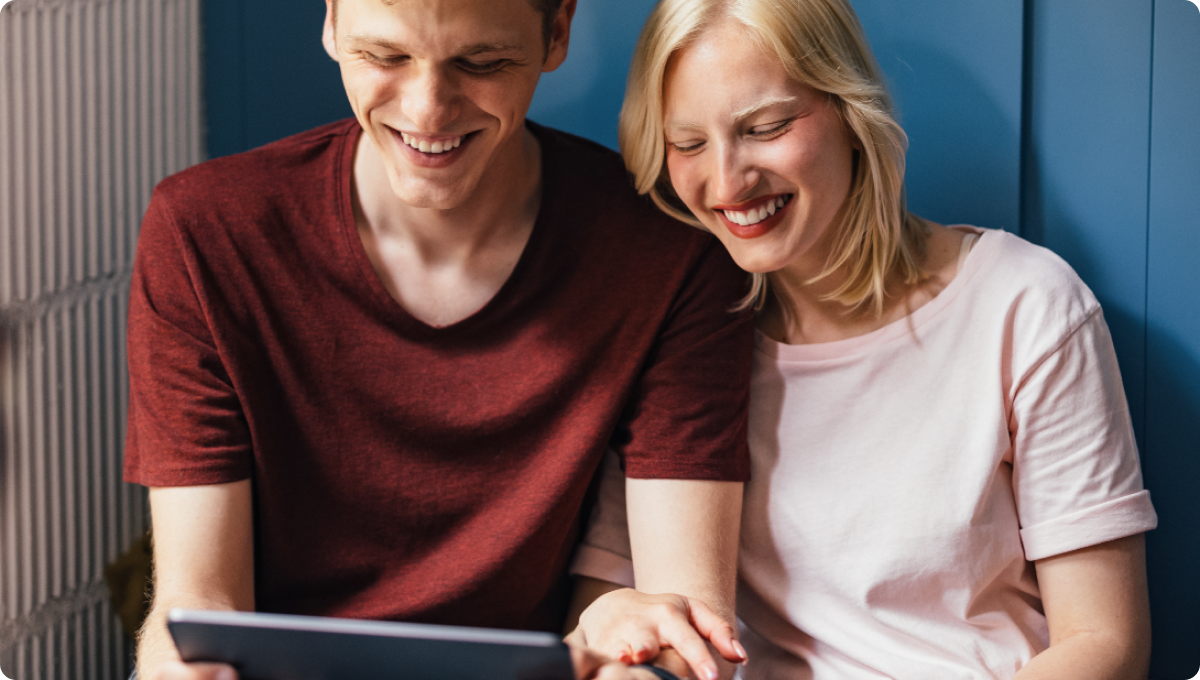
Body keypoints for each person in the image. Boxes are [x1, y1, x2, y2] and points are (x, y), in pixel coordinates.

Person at [122, 0, 755, 678]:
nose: (427, 112)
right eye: (385, 57)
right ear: (332, 20)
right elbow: (198, 601)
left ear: (558, 31)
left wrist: (643, 663)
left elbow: (680, 613)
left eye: (481, 63)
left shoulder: (669, 252)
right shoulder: (204, 234)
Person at [568, 0, 1158, 677]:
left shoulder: (1025, 306)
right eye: (690, 144)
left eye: (766, 127)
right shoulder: (681, 342)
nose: (728, 182)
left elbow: (1106, 643)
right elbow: (621, 606)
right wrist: (609, 634)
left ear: (850, 112)